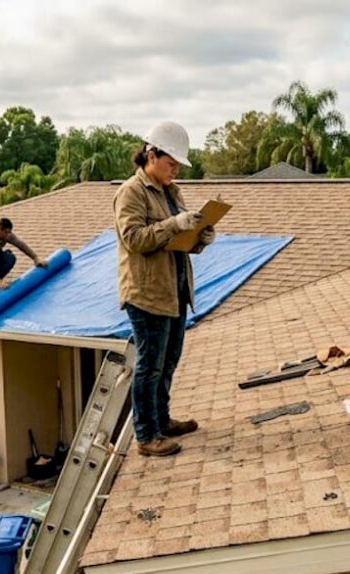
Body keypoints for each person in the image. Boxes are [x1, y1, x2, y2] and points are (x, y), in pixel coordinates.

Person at [113, 121, 215, 457]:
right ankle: (146, 436)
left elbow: (178, 241)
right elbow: (134, 239)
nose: (174, 170)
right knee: (149, 365)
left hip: (174, 290)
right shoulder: (131, 192)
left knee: (168, 361)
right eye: (171, 164)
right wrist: (174, 223)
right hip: (147, 294)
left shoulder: (172, 191)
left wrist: (200, 236)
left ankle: (162, 420)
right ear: (151, 155)